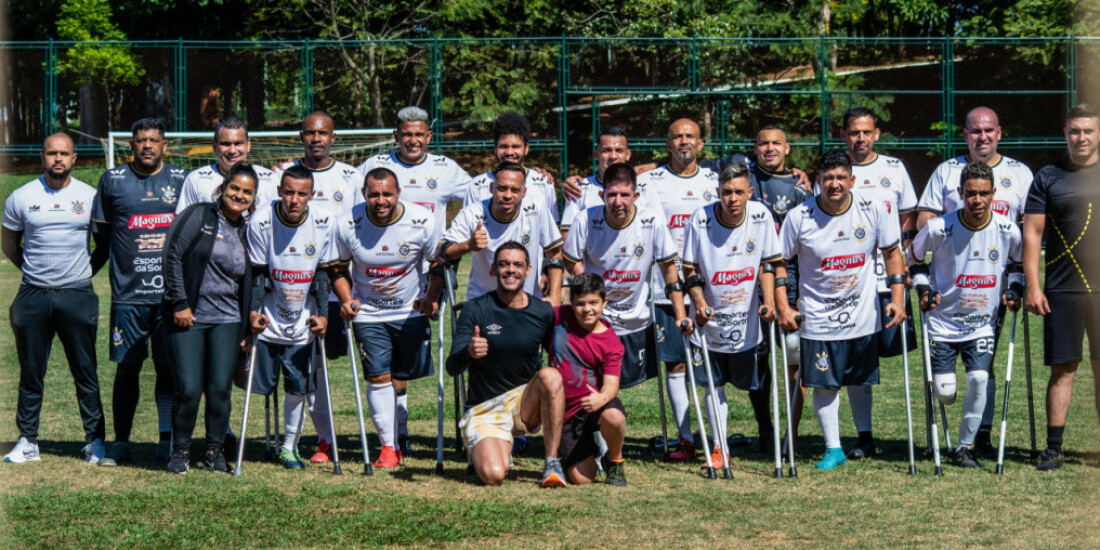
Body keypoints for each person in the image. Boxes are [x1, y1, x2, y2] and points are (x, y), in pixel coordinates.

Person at [776, 149, 907, 470]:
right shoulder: (799, 217)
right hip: (818, 317)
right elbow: (778, 262)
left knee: (860, 378)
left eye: (840, 178)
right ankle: (833, 449)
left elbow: (892, 252)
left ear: (852, 180)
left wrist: (898, 298)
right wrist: (781, 305)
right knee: (823, 382)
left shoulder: (873, 208)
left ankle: (865, 438)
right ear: (818, 181)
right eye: (828, 178)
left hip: (863, 314)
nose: (835, 184)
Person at [354, 106, 471, 454]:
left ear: (429, 137)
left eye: (420, 134)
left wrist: (453, 240)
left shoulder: (445, 168)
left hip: (426, 272)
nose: (413, 140)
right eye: (407, 134)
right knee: (383, 361)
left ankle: (400, 431)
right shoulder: (375, 165)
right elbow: (345, 195)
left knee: (403, 362)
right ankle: (396, 435)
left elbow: (479, 195)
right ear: (396, 135)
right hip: (379, 269)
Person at [918, 106, 1034, 454]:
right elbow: (926, 220)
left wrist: (1021, 282)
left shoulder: (1020, 173)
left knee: (985, 363)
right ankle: (966, 426)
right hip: (951, 287)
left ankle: (979, 433)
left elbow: (1029, 231)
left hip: (993, 287)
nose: (982, 137)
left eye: (988, 131)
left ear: (999, 132)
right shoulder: (946, 171)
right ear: (965, 134)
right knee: (953, 380)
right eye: (974, 131)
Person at [561, 164, 688, 444]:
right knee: (595, 382)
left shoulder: (651, 220)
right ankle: (597, 444)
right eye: (612, 195)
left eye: (624, 195)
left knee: (670, 366)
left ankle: (686, 438)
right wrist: (588, 285)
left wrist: (679, 313)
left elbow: (668, 266)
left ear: (636, 196)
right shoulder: (585, 219)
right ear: (601, 194)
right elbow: (570, 258)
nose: (618, 202)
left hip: (637, 317)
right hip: (598, 318)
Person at [909, 161, 1023, 468]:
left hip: (981, 323)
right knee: (946, 393)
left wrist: (1014, 289)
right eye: (971, 193)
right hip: (943, 322)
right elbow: (915, 261)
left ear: (993, 193)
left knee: (979, 378)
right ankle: (956, 429)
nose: (977, 200)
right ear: (960, 192)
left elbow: (1017, 264)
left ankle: (964, 448)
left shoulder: (1007, 229)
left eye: (984, 194)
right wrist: (923, 290)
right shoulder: (938, 228)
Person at [2, 133, 106, 464]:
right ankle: (28, 441)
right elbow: (8, 242)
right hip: (32, 294)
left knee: (85, 371)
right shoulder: (22, 196)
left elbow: (102, 246)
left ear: (74, 158)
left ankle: (94, 442)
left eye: (64, 153)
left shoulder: (90, 197)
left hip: (76, 293)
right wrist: (30, 270)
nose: (57, 159)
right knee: (31, 371)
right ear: (42, 157)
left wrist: (83, 275)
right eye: (51, 153)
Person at [330, 167, 444, 468]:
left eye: (387, 194)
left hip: (409, 310)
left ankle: (401, 432)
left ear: (398, 194)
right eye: (374, 194)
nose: (381, 200)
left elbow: (437, 263)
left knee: (400, 376)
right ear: (365, 194)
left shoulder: (421, 220)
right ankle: (388, 446)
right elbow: (339, 269)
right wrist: (347, 299)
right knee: (378, 375)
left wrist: (431, 297)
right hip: (368, 312)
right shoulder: (348, 223)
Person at [265, 110, 359, 463]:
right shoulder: (283, 176)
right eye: (309, 133)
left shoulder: (351, 177)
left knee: (331, 356)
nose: (316, 139)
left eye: (323, 134)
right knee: (310, 365)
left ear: (333, 137)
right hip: (294, 291)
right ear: (301, 136)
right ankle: (322, 440)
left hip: (337, 286)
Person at [93, 118, 186, 466]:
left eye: (154, 140)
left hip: (169, 296)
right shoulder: (112, 181)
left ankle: (166, 437)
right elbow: (102, 236)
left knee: (167, 368)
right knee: (127, 368)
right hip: (129, 296)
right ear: (130, 145)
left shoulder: (180, 180)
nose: (147, 145)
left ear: (164, 145)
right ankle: (121, 442)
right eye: (141, 140)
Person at [681, 163, 781, 467]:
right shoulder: (700, 218)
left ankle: (768, 432)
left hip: (747, 317)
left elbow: (768, 261)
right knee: (715, 382)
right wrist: (698, 300)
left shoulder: (762, 215)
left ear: (750, 192)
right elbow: (690, 267)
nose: (732, 198)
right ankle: (719, 445)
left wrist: (769, 301)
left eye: (739, 192)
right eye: (726, 192)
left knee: (758, 379)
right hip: (710, 317)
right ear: (718, 193)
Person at [160, 163, 257, 473]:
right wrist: (179, 303)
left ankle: (214, 452)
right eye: (235, 188)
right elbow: (172, 254)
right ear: (223, 188)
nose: (239, 195)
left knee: (219, 389)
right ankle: (181, 452)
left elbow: (253, 278)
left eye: (247, 192)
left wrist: (248, 323)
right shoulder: (200, 215)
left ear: (253, 198)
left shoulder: (247, 230)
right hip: (189, 317)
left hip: (227, 320)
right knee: (188, 388)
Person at [446, 242, 566, 487]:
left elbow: (558, 358)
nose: (511, 270)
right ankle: (492, 448)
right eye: (504, 264)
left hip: (524, 403)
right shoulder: (475, 309)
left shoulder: (543, 311)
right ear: (493, 270)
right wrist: (469, 352)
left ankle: (552, 462)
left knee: (551, 376)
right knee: (493, 475)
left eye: (517, 265)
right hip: (485, 408)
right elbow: (452, 366)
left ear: (529, 270)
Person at [633, 118, 718, 460]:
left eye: (690, 137)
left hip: (710, 289)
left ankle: (717, 440)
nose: (684, 141)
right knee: (676, 365)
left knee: (710, 365)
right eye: (677, 137)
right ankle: (685, 438)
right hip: (664, 290)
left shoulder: (716, 181)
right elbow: (612, 185)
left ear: (701, 144)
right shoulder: (648, 182)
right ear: (667, 144)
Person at [838, 107, 919, 459]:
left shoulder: (894, 168)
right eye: (854, 133)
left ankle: (913, 438)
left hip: (891, 281)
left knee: (898, 357)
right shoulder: (835, 171)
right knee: (859, 365)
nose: (860, 138)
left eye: (866, 132)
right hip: (852, 283)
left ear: (876, 134)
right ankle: (864, 436)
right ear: (844, 135)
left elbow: (907, 218)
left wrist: (904, 263)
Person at [1023, 103, 1100, 471]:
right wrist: (1033, 287)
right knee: (1062, 370)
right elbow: (1032, 234)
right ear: (1065, 133)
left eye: (1088, 130)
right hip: (1062, 289)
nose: (1081, 137)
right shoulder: (1048, 176)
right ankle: (1054, 449)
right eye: (1075, 131)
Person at [246, 165, 337, 470]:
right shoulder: (261, 220)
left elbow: (323, 274)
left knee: (299, 385)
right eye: (289, 192)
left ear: (312, 195)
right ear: (279, 192)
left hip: (304, 318)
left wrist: (324, 316)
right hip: (270, 315)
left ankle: (289, 447)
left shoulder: (324, 220)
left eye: (301, 193)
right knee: (259, 383)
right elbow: (258, 273)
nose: (294, 199)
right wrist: (254, 311)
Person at [748, 125, 812, 445]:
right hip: (748, 285)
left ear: (788, 149)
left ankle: (792, 432)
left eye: (777, 143)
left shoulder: (801, 188)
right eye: (763, 143)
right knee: (759, 360)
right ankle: (765, 428)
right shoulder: (741, 179)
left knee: (792, 359)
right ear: (755, 148)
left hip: (791, 283)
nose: (770, 148)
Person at [440, 162, 564, 305]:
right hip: (483, 302)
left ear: (524, 192)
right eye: (502, 188)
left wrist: (555, 296)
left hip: (526, 302)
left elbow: (554, 251)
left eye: (515, 190)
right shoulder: (472, 213)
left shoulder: (536, 207)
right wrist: (468, 245)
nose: (508, 195)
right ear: (492, 188)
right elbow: (441, 251)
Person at [549, 273, 627, 485]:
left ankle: (615, 459)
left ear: (604, 302)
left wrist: (601, 399)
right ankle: (585, 451)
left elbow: (611, 386)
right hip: (566, 411)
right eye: (580, 304)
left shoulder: (610, 342)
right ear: (571, 303)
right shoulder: (560, 316)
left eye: (594, 302)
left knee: (615, 417)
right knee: (582, 478)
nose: (587, 309)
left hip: (596, 403)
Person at [463, 111, 560, 223]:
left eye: (516, 146)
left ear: (526, 148)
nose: (509, 152)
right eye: (503, 146)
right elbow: (467, 229)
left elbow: (552, 230)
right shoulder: (476, 186)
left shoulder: (543, 183)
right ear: (495, 148)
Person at [175, 115, 277, 213]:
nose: (232, 150)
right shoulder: (196, 180)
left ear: (248, 145)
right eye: (226, 144)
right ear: (214, 146)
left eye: (238, 143)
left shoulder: (270, 180)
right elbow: (183, 224)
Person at [559, 126, 633, 238]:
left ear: (628, 154)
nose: (613, 156)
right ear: (596, 155)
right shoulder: (578, 189)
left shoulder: (643, 188)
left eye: (619, 150)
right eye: (607, 150)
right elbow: (567, 235)